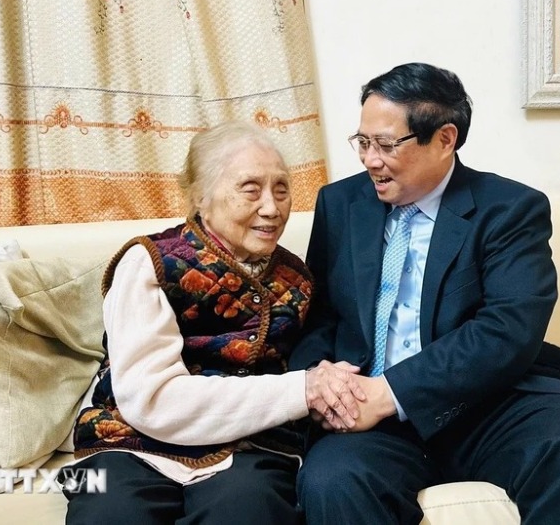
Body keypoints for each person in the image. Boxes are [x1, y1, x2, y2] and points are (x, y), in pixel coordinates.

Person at [290, 63, 560, 524]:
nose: (370, 159)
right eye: (363, 142)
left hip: (490, 401)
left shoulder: (510, 209)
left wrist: (391, 392)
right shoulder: (340, 204)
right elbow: (319, 316)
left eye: (387, 145)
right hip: (369, 410)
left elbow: (507, 329)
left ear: (445, 139)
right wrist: (321, 381)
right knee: (333, 481)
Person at [64, 121, 365, 524]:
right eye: (250, 189)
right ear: (200, 196)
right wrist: (302, 389)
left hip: (249, 447)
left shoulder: (297, 279)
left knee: (248, 510)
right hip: (125, 439)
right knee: (108, 513)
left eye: (281, 188)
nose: (272, 208)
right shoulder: (149, 262)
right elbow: (149, 401)